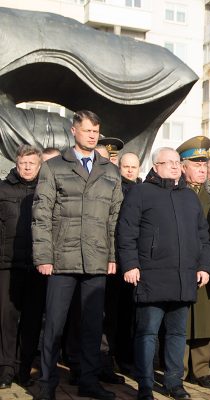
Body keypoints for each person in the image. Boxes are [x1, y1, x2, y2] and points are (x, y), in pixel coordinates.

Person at [32, 110, 123, 400]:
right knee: (54, 326)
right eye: (87, 131)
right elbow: (41, 214)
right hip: (61, 259)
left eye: (96, 131)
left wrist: (111, 255)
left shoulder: (110, 171)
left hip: (96, 259)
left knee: (93, 327)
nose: (93, 135)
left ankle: (88, 381)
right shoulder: (55, 167)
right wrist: (44, 256)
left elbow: (114, 217)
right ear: (74, 131)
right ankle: (46, 384)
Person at [116, 147, 210, 400]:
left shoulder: (189, 197)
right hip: (151, 276)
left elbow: (203, 236)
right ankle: (145, 384)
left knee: (177, 333)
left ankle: (174, 383)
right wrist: (130, 265)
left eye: (176, 162)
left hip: (184, 277)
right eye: (166, 162)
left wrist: (204, 266)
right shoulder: (140, 193)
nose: (173, 166)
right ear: (155, 166)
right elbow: (126, 231)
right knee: (147, 332)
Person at [176, 137, 210, 389]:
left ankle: (202, 369)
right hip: (181, 264)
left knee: (205, 317)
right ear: (183, 167)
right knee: (180, 315)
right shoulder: (175, 191)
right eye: (196, 163)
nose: (202, 168)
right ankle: (178, 367)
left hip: (207, 265)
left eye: (204, 164)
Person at [0, 145, 44, 389]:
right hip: (7, 265)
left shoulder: (45, 190)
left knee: (32, 321)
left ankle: (24, 369)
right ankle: (5, 370)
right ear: (16, 163)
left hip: (38, 266)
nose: (27, 167)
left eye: (32, 163)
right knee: (6, 320)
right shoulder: (2, 188)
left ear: (39, 165)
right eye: (23, 163)